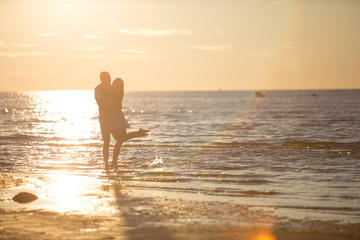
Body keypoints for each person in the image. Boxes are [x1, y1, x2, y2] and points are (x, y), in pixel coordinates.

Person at [95, 72, 149, 169]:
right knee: (107, 142)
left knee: (120, 139)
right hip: (104, 118)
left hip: (116, 116)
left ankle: (114, 162)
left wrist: (115, 109)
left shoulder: (113, 88)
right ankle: (107, 164)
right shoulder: (98, 89)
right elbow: (101, 105)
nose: (110, 80)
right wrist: (114, 109)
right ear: (102, 79)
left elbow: (117, 100)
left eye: (110, 78)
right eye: (107, 78)